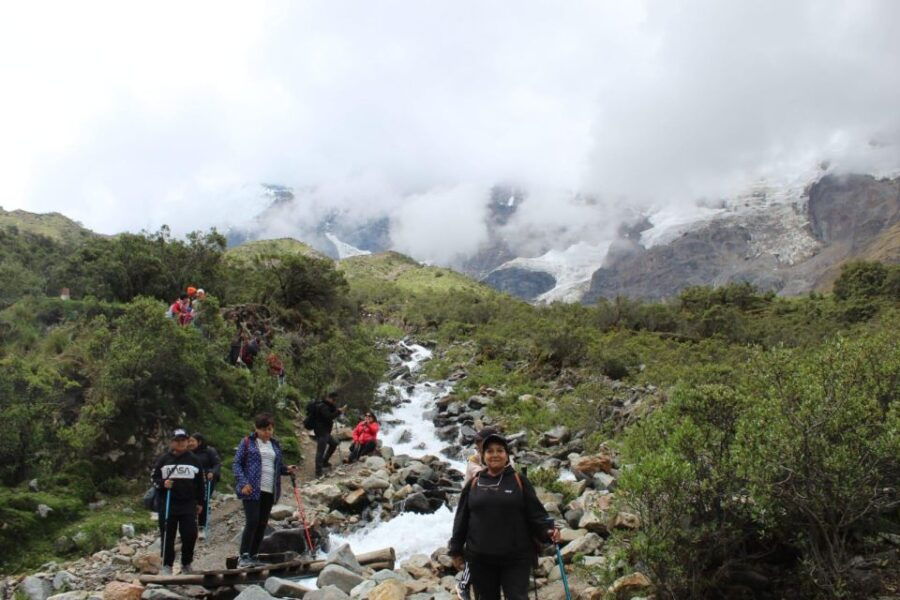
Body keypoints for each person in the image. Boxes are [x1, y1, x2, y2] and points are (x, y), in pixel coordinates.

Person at [448, 433, 561, 600]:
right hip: (480, 559)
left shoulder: (518, 481)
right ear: (483, 456)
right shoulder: (474, 483)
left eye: (500, 450)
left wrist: (549, 531)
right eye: (490, 451)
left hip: (516, 558)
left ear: (507, 455)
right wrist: (456, 550)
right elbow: (462, 519)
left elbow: (536, 514)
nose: (495, 455)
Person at [233, 413, 298, 567]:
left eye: (270, 429)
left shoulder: (274, 445)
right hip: (252, 489)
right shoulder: (248, 442)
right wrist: (243, 482)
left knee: (262, 523)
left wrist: (287, 469)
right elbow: (236, 464)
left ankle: (254, 555)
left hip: (269, 489)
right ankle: (243, 556)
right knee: (252, 521)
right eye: (264, 429)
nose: (267, 432)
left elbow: (277, 467)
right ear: (256, 429)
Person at [151, 428, 204, 575]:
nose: (181, 443)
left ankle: (186, 563)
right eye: (178, 440)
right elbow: (154, 479)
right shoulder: (163, 460)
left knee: (190, 534)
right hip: (168, 503)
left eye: (184, 440)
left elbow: (200, 483)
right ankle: (167, 565)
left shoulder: (194, 460)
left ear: (188, 441)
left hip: (188, 503)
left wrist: (200, 502)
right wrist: (163, 483)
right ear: (172, 442)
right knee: (168, 534)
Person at [188, 432, 222, 540]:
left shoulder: (209, 451)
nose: (190, 443)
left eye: (192, 441)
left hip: (207, 479)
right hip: (192, 480)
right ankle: (188, 526)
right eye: (189, 441)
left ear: (199, 441)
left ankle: (201, 527)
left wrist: (212, 472)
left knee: (203, 501)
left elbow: (217, 463)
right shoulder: (188, 453)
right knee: (190, 501)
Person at [308, 392, 344, 478]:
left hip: (326, 431)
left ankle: (324, 462)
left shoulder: (327, 405)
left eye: (335, 400)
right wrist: (338, 412)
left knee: (334, 443)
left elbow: (332, 412)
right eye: (333, 400)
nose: (334, 401)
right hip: (321, 431)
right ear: (329, 398)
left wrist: (337, 410)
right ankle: (318, 472)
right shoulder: (322, 406)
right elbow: (329, 416)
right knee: (320, 451)